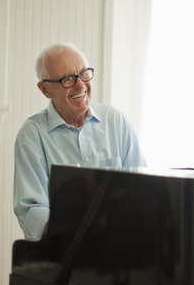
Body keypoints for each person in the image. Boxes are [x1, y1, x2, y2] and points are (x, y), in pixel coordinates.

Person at [13, 43, 147, 240]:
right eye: (67, 79)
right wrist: (79, 237)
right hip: (62, 249)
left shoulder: (115, 121)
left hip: (119, 245)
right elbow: (31, 210)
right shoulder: (32, 134)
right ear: (45, 89)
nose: (81, 85)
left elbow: (142, 185)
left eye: (84, 73)